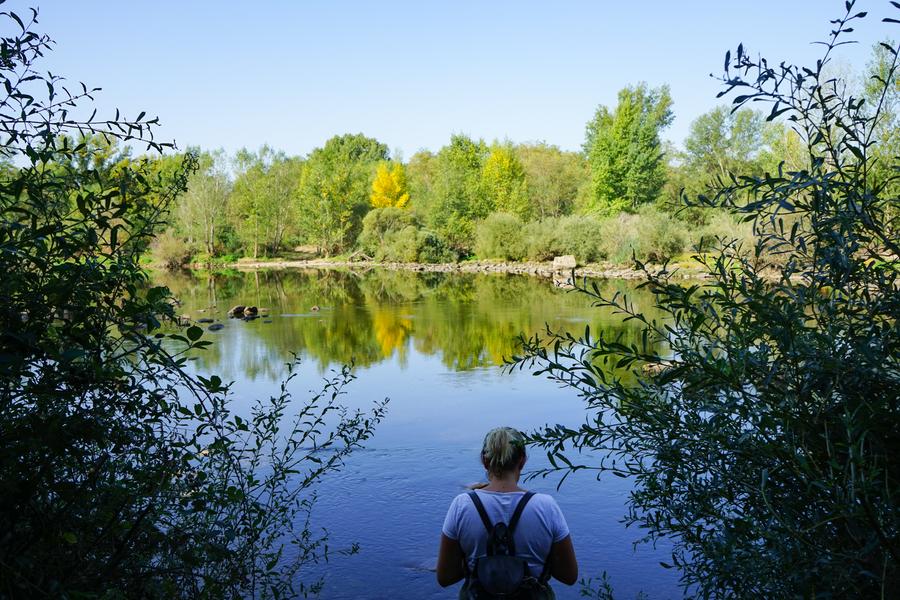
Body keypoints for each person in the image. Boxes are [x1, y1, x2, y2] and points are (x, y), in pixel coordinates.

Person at [436, 427, 578, 599]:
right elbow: (569, 576)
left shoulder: (462, 505)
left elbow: (445, 577)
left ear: (485, 461)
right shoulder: (546, 506)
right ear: (522, 460)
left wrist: (474, 562)